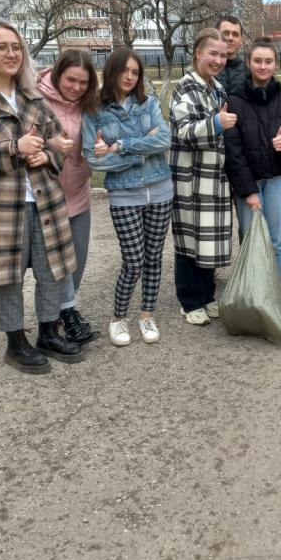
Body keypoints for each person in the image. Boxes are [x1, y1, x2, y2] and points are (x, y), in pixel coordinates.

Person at [0, 21, 80, 374]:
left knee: (53, 270)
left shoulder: (32, 97)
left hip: (45, 199)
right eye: (2, 46)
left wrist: (47, 155)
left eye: (16, 47)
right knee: (8, 275)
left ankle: (49, 332)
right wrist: (13, 149)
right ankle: (15, 341)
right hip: (0, 206)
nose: (11, 53)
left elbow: (59, 142)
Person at [81, 48, 172, 347]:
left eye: (135, 72)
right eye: (125, 71)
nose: (130, 77)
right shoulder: (95, 111)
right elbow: (94, 160)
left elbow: (165, 139)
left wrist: (120, 145)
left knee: (154, 258)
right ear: (112, 71)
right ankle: (118, 318)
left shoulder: (148, 103)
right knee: (133, 261)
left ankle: (147, 314)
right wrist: (139, 154)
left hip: (160, 188)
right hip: (124, 195)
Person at [223, 37, 281, 278]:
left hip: (278, 179)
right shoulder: (234, 102)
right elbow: (232, 151)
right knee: (251, 242)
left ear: (276, 65)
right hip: (248, 182)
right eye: (258, 61)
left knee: (275, 241)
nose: (263, 66)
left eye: (268, 61)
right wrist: (248, 190)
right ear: (248, 63)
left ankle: (271, 298)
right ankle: (252, 299)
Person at [170, 28, 237, 325]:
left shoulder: (218, 89)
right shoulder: (184, 88)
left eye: (223, 55)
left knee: (210, 242)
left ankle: (208, 296)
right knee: (189, 242)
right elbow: (184, 131)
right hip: (192, 180)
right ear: (198, 53)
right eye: (213, 53)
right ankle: (189, 300)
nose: (219, 60)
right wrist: (217, 123)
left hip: (215, 179)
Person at [37, 49, 99, 343]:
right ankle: (64, 313)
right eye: (70, 80)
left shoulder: (89, 106)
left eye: (83, 83)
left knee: (78, 257)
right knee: (55, 263)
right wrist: (50, 145)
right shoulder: (37, 99)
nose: (76, 87)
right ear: (57, 74)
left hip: (79, 192)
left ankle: (66, 309)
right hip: (48, 195)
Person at [215, 16, 248, 96]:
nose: (230, 38)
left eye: (235, 34)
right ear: (215, 36)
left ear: (241, 41)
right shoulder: (205, 71)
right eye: (226, 33)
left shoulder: (250, 72)